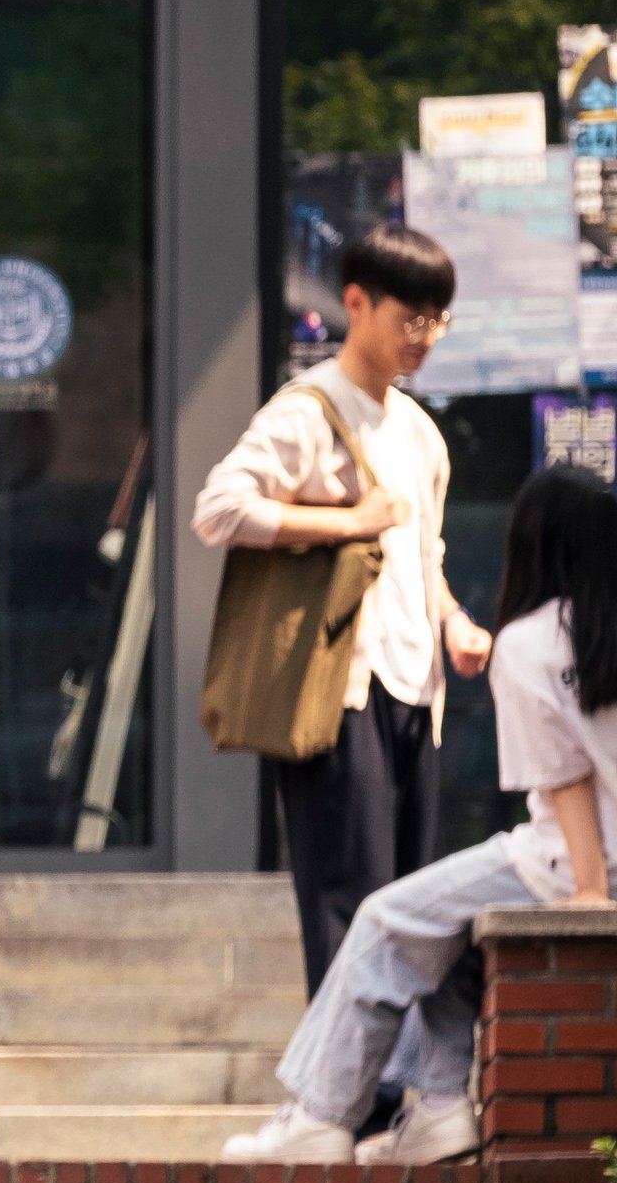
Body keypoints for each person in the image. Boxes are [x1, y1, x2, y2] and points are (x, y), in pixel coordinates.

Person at [222, 461, 617, 1165]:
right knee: (445, 930)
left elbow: (569, 780)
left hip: (571, 860)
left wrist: (589, 889)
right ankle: (438, 1104)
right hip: (572, 855)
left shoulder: (530, 642)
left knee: (384, 919)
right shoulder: (599, 634)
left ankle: (319, 1115)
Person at [188, 224, 493, 1038]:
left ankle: (387, 1086)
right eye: (411, 316)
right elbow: (217, 509)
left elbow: (422, 555)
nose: (423, 335)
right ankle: (342, 1098)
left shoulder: (421, 433)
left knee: (403, 898)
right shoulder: (308, 412)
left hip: (414, 686)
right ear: (355, 302)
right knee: (345, 897)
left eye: (438, 318)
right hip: (338, 686)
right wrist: (346, 520)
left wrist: (456, 625)